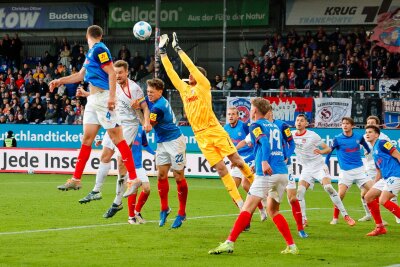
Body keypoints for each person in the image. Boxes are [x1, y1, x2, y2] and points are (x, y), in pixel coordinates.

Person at [159, 32, 254, 211]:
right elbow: (171, 73)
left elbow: (192, 67)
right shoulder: (185, 89)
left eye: (192, 73)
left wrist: (178, 49)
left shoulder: (203, 86)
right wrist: (163, 52)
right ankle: (241, 205)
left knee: (237, 161)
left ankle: (258, 189)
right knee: (220, 170)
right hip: (200, 135)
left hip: (214, 130)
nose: (189, 74)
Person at [49, 25, 140, 193]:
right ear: (101, 35)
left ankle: (134, 179)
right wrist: (59, 81)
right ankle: (76, 179)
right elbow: (79, 76)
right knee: (87, 139)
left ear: (87, 35)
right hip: (92, 100)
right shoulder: (91, 53)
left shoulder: (100, 49)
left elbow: (112, 73)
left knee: (117, 139)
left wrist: (112, 97)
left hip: (104, 98)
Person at [209, 98, 299, 255]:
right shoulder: (275, 127)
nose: (249, 112)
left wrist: (264, 161)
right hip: (282, 173)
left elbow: (264, 142)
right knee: (274, 211)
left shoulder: (256, 125)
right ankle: (292, 246)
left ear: (255, 111)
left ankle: (229, 243)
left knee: (247, 208)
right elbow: (274, 145)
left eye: (250, 109)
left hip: (266, 174)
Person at [77, 60, 150, 213]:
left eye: (120, 73)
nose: (117, 76)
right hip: (114, 123)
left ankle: (117, 201)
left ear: (127, 72)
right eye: (115, 73)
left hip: (129, 126)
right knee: (104, 156)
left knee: (120, 161)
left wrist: (146, 122)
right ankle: (96, 191)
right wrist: (86, 94)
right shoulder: (112, 84)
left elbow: (145, 108)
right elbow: (102, 96)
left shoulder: (134, 88)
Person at [237, 106, 307, 237]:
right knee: (248, 188)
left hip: (283, 166)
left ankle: (300, 229)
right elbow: (256, 147)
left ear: (270, 112)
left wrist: (286, 156)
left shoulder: (282, 126)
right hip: (265, 168)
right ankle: (247, 222)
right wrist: (254, 162)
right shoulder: (257, 126)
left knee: (292, 198)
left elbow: (291, 144)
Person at [140, 77, 188, 229]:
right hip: (162, 143)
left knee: (179, 177)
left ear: (160, 92)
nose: (149, 95)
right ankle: (164, 208)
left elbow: (148, 127)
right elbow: (144, 102)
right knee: (161, 175)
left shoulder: (158, 107)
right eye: (147, 92)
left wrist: (140, 110)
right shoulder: (153, 101)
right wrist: (141, 104)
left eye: (152, 92)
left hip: (175, 142)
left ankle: (181, 212)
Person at [292, 114, 355, 227]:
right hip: (306, 168)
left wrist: (321, 152)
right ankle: (303, 219)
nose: (299, 122)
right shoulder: (291, 135)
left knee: (328, 188)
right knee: (300, 192)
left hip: (319, 166)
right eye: (297, 120)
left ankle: (346, 215)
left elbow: (327, 148)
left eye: (302, 121)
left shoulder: (313, 136)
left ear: (306, 123)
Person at [324, 117, 373, 225]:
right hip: (345, 172)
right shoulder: (337, 139)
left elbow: (367, 147)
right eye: (343, 123)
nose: (345, 125)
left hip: (360, 170)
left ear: (352, 125)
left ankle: (378, 219)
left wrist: (368, 152)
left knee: (374, 191)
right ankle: (335, 218)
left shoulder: (359, 137)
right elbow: (328, 152)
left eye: (347, 123)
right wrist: (325, 164)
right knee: (340, 195)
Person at [224, 107, 267, 222]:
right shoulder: (225, 128)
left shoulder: (244, 126)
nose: (231, 116)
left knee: (245, 185)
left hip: (249, 158)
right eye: (229, 114)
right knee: (232, 189)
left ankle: (260, 209)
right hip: (236, 158)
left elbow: (253, 137)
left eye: (233, 114)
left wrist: (253, 144)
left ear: (238, 116)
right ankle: (243, 213)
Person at [359, 116, 398, 223]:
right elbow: (379, 171)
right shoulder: (374, 151)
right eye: (366, 131)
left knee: (383, 200)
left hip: (395, 174)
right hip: (384, 177)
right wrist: (375, 183)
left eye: (370, 132)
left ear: (377, 134)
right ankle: (379, 226)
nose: (367, 134)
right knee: (368, 196)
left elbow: (397, 155)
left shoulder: (382, 142)